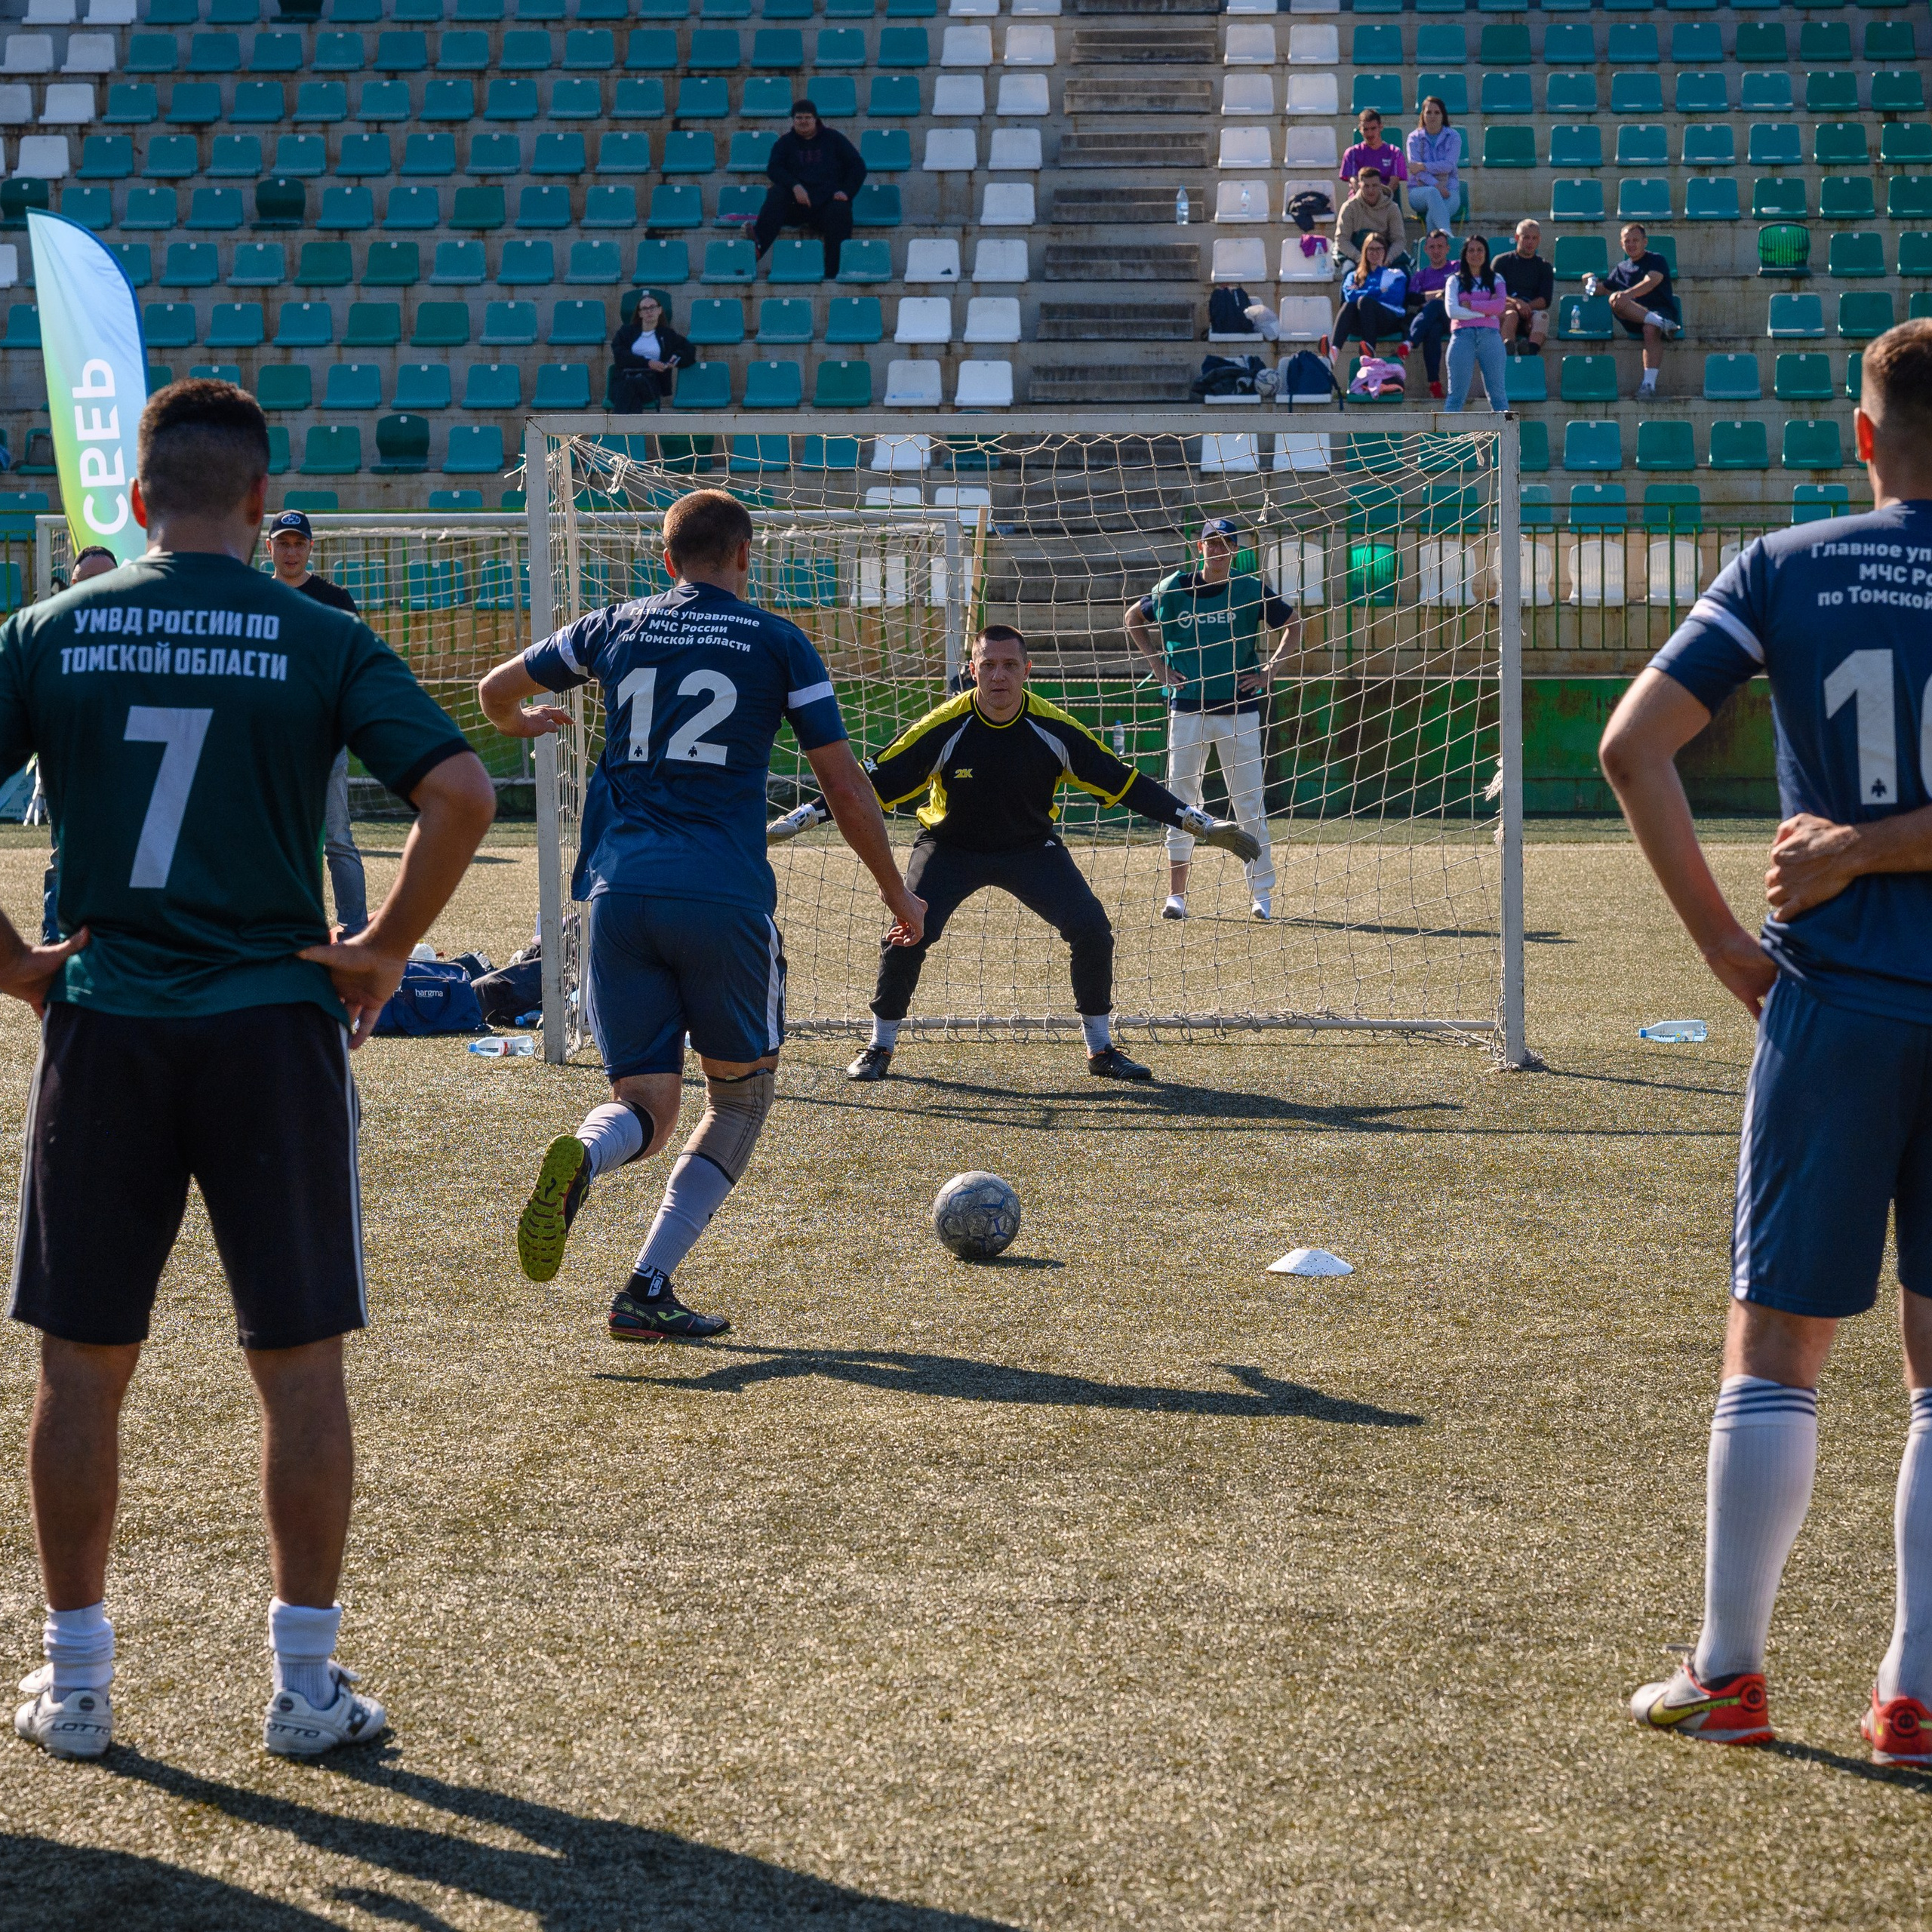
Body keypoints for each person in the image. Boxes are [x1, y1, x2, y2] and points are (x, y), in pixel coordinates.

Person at [5, 380, 496, 1763]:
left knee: (81, 1369)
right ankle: (304, 1688)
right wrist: (386, 947)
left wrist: (9, 959)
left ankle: (79, 1686)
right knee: (298, 1368)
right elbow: (458, 791)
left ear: (141, 504)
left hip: (106, 1019)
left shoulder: (49, 629)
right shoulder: (318, 633)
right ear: (264, 504)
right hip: (273, 1028)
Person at [1599, 319, 1932, 1765]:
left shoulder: (1787, 565)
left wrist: (1745, 941)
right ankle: (1918, 1695)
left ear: (1864, 436)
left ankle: (1731, 1673)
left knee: (1779, 1345)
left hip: (1835, 1005)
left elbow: (1632, 747)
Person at [478, 489, 923, 1343]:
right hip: (721, 896)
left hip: (617, 897)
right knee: (740, 1096)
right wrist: (895, 892)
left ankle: (591, 1151)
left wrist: (519, 718)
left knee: (643, 1099)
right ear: (746, 556)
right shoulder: (776, 641)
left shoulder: (614, 624)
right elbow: (842, 784)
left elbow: (498, 688)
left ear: (667, 558)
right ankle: (645, 1285)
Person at [783, 624, 1257, 1087]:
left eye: (1010, 665)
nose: (998, 676)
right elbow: (869, 785)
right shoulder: (942, 726)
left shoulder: (1054, 728)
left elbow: (1123, 781)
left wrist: (1200, 823)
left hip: (1030, 848)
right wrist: (802, 817)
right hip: (949, 846)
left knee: (1091, 928)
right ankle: (880, 1045)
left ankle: (1101, 1048)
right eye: (988, 665)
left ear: (1027, 670)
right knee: (909, 928)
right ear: (972, 670)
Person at [1124, 518, 1299, 923]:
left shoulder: (1249, 589)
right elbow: (1133, 617)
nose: (1218, 550)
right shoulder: (1171, 589)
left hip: (1238, 711)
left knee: (1249, 802)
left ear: (1234, 549)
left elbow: (1292, 624)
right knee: (1181, 801)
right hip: (1186, 708)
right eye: (1211, 543)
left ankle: (1261, 895)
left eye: (1225, 543)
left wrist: (1270, 672)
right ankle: (1177, 897)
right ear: (1198, 547)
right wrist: (1156, 664)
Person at [269, 509, 368, 937]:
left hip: (323, 741)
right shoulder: (254, 596)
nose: (291, 552)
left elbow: (357, 665)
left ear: (311, 547)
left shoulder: (336, 600)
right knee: (272, 840)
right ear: (269, 546)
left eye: (299, 543)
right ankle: (282, 929)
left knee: (338, 839)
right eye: (283, 543)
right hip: (267, 741)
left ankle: (354, 931)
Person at [32, 548, 119, 944]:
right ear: (73, 586)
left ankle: (114, 941)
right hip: (67, 769)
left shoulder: (145, 639)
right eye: (87, 582)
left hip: (124, 769)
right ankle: (55, 938)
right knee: (66, 857)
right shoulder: (52, 639)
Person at [752, 100, 866, 280]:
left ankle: (834, 273)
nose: (803, 122)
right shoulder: (785, 143)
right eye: (799, 118)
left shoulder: (833, 139)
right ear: (793, 120)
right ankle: (757, 246)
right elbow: (774, 169)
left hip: (826, 206)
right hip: (797, 205)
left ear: (816, 119)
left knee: (841, 210)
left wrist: (846, 192)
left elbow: (857, 166)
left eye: (807, 118)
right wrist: (795, 186)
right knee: (776, 193)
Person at [1603, 221, 1681, 398]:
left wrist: (1627, 295)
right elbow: (1604, 289)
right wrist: (1588, 281)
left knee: (1649, 328)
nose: (1631, 245)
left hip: (1661, 309)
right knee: (1614, 298)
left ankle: (1648, 385)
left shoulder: (1656, 260)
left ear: (1645, 242)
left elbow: (1652, 281)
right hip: (1633, 318)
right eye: (1627, 241)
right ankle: (1663, 324)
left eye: (1635, 240)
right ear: (1622, 244)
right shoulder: (1621, 269)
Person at [1443, 233, 1509, 415]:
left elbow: (1500, 306)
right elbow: (1452, 311)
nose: (1475, 254)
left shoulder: (1497, 279)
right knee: (1456, 396)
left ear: (1486, 253)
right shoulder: (1454, 280)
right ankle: (1446, 442)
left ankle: (1507, 442)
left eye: (1480, 250)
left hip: (1490, 338)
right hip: (1462, 337)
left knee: (1498, 396)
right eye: (1471, 250)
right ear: (1464, 254)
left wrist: (1471, 305)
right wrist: (1487, 311)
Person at [1329, 233, 1408, 375]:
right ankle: (1332, 354)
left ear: (1385, 252)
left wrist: (1364, 293)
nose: (1375, 253)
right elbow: (1349, 295)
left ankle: (1368, 355)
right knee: (1349, 306)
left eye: (1379, 249)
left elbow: (1395, 298)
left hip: (1387, 321)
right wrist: (1379, 291)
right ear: (1364, 252)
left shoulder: (1396, 274)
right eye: (1371, 249)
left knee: (1365, 301)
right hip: (1362, 321)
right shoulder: (1353, 276)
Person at [608, 291, 694, 414]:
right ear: (640, 313)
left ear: (659, 310)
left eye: (652, 307)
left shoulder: (667, 335)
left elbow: (689, 350)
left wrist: (675, 359)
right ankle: (633, 431)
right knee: (632, 391)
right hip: (624, 377)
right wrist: (648, 363)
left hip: (651, 382)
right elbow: (620, 355)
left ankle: (617, 427)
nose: (649, 311)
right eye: (644, 308)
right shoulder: (626, 332)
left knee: (631, 385)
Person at [1405, 228, 1455, 399]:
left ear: (1448, 249)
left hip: (1454, 317)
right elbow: (1412, 298)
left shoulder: (1457, 267)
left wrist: (1430, 297)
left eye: (1440, 247)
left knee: (1434, 305)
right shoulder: (1421, 276)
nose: (1436, 251)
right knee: (1432, 330)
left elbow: (1461, 290)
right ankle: (1434, 383)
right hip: (1434, 321)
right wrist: (1440, 293)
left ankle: (1410, 343)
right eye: (1432, 247)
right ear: (1426, 250)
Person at [1494, 217, 1553, 358]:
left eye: (1534, 238)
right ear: (1517, 238)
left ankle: (1530, 351)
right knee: (1511, 314)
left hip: (1530, 314)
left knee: (1543, 317)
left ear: (1539, 240)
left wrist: (1526, 307)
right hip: (1506, 310)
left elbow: (1545, 300)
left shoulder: (1544, 267)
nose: (1530, 242)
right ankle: (1507, 348)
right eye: (1526, 237)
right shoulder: (1501, 262)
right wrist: (1517, 304)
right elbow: (1494, 293)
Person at [1404, 97, 1460, 238]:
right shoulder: (1413, 138)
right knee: (1431, 193)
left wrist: (1423, 166)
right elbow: (1415, 171)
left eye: (1437, 112)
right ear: (1423, 115)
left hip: (1450, 191)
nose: (1433, 116)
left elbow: (1448, 166)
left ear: (1443, 115)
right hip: (1418, 192)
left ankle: (1434, 252)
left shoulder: (1454, 137)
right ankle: (1449, 238)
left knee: (1431, 217)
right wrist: (1435, 185)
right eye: (1429, 112)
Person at [1333, 167, 1405, 268]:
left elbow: (1399, 240)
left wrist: (1388, 259)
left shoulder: (1392, 208)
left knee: (1402, 274)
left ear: (1380, 186)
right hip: (1356, 255)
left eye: (1375, 186)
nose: (1371, 190)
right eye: (1366, 186)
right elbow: (1342, 239)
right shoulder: (1349, 208)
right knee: (1348, 269)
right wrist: (1360, 259)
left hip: (1385, 255)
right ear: (1359, 186)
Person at [1338, 108, 1405, 192]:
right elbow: (1353, 180)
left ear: (1381, 127)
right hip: (1359, 200)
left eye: (1373, 128)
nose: (1369, 134)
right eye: (1366, 129)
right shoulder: (1352, 153)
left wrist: (1378, 200)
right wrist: (1366, 199)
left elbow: (1394, 182)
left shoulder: (1395, 153)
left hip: (1385, 200)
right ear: (1360, 129)